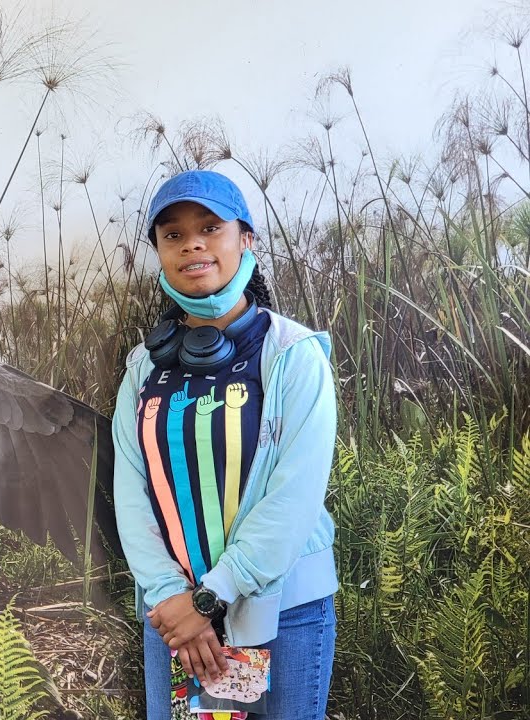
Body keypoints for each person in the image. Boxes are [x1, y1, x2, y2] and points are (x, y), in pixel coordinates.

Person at [112, 169, 339, 719]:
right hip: (176, 619)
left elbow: (294, 497)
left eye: (210, 227)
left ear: (246, 239)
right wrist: (171, 597)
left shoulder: (294, 354)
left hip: (286, 610)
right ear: (162, 253)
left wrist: (209, 598)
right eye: (173, 234)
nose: (192, 243)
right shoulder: (142, 368)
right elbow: (131, 492)